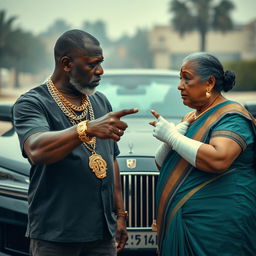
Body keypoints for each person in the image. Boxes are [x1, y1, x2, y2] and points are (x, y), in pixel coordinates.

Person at [13, 29, 138, 256]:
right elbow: (36, 149)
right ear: (67, 64)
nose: (100, 71)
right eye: (92, 64)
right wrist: (86, 129)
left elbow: (111, 160)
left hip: (101, 235)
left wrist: (120, 216)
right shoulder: (32, 102)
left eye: (101, 63)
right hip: (56, 236)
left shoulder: (99, 101)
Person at [150, 52, 256, 256]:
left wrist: (173, 137)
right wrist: (168, 142)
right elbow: (163, 165)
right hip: (189, 222)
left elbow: (218, 159)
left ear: (209, 83)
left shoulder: (232, 116)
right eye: (180, 79)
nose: (180, 86)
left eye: (187, 78)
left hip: (218, 226)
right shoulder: (192, 116)